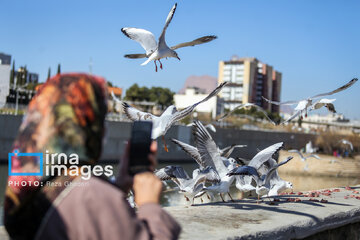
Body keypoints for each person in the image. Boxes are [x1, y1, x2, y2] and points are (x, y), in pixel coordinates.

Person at [4, 73, 181, 240]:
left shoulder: (25, 184)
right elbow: (91, 204)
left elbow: (78, 215)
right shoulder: (91, 195)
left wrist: (118, 186)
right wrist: (149, 204)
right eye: (99, 120)